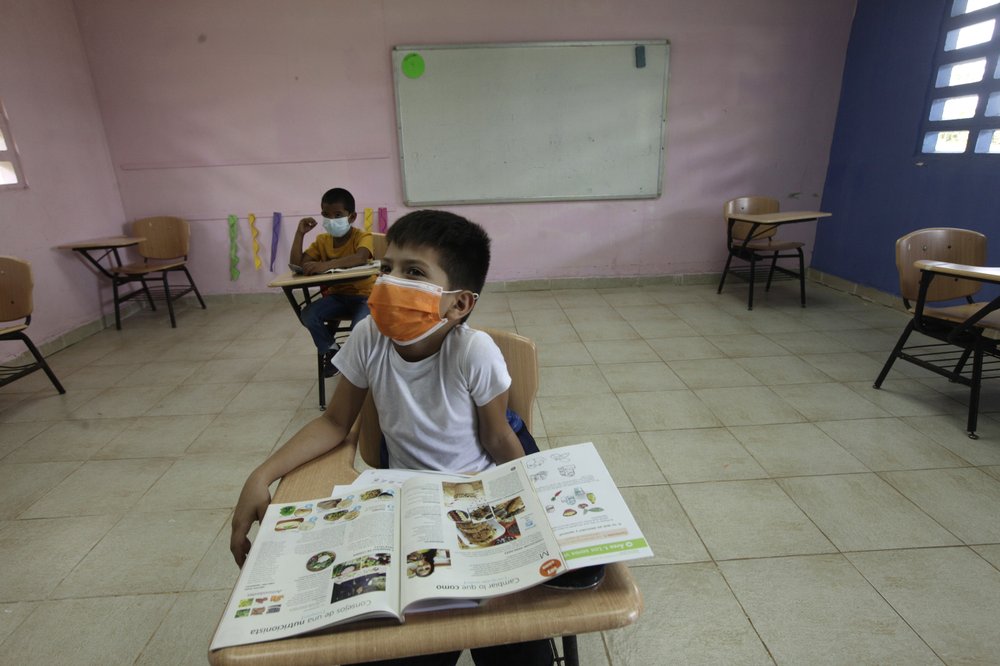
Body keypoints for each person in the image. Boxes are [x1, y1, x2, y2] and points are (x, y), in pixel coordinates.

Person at [231, 210, 550, 666]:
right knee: (403, 645)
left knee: (517, 639)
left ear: (459, 304)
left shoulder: (473, 351)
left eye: (413, 272)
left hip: (474, 498)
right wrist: (261, 475)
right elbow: (335, 422)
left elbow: (499, 437)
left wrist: (531, 505)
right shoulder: (369, 335)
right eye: (387, 268)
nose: (388, 282)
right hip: (407, 507)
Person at [290, 187, 375, 377]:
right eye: (326, 215)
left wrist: (325, 265)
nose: (331, 220)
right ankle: (332, 351)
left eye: (338, 215)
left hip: (366, 297)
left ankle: (357, 367)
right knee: (308, 314)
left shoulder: (362, 236)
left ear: (352, 217)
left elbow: (360, 257)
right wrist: (299, 234)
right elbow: (296, 264)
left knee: (359, 328)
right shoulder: (322, 240)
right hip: (338, 297)